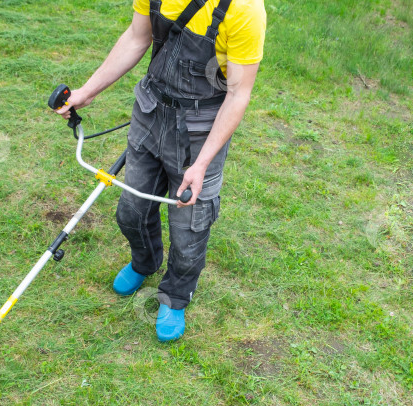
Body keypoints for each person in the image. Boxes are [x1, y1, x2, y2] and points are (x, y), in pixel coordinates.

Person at [56, 0, 266, 342]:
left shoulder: (244, 10)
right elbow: (137, 38)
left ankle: (176, 295)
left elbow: (238, 93)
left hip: (201, 132)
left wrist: (201, 164)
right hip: (150, 111)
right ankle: (145, 262)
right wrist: (85, 92)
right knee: (130, 211)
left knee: (189, 229)